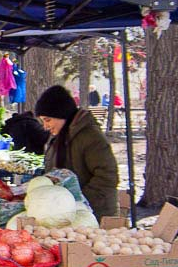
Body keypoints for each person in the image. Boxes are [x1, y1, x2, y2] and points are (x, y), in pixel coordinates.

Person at [35, 85, 119, 219]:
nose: (45, 126)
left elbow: (107, 176)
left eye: (47, 120)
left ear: (61, 114)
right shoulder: (59, 137)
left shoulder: (90, 136)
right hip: (69, 211)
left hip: (94, 214)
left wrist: (78, 200)